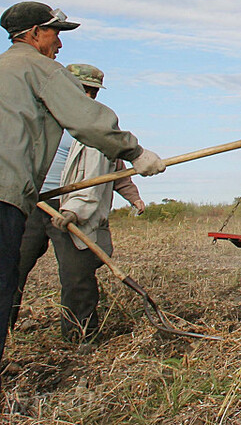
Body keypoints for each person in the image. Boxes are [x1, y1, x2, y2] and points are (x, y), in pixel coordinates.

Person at [0, 2, 165, 364]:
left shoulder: (6, 72)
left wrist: (78, 208)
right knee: (7, 277)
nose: (59, 44)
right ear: (33, 34)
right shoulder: (41, 70)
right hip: (19, 201)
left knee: (73, 277)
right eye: (55, 33)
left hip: (49, 205)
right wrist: (136, 151)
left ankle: (80, 338)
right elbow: (91, 123)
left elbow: (101, 175)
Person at [10, 64, 147, 343]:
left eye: (92, 91)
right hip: (33, 203)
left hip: (73, 208)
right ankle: (5, 328)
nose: (87, 95)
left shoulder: (96, 127)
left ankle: (80, 337)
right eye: (82, 89)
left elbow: (115, 169)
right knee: (11, 270)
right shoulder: (39, 118)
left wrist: (133, 197)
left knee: (77, 277)